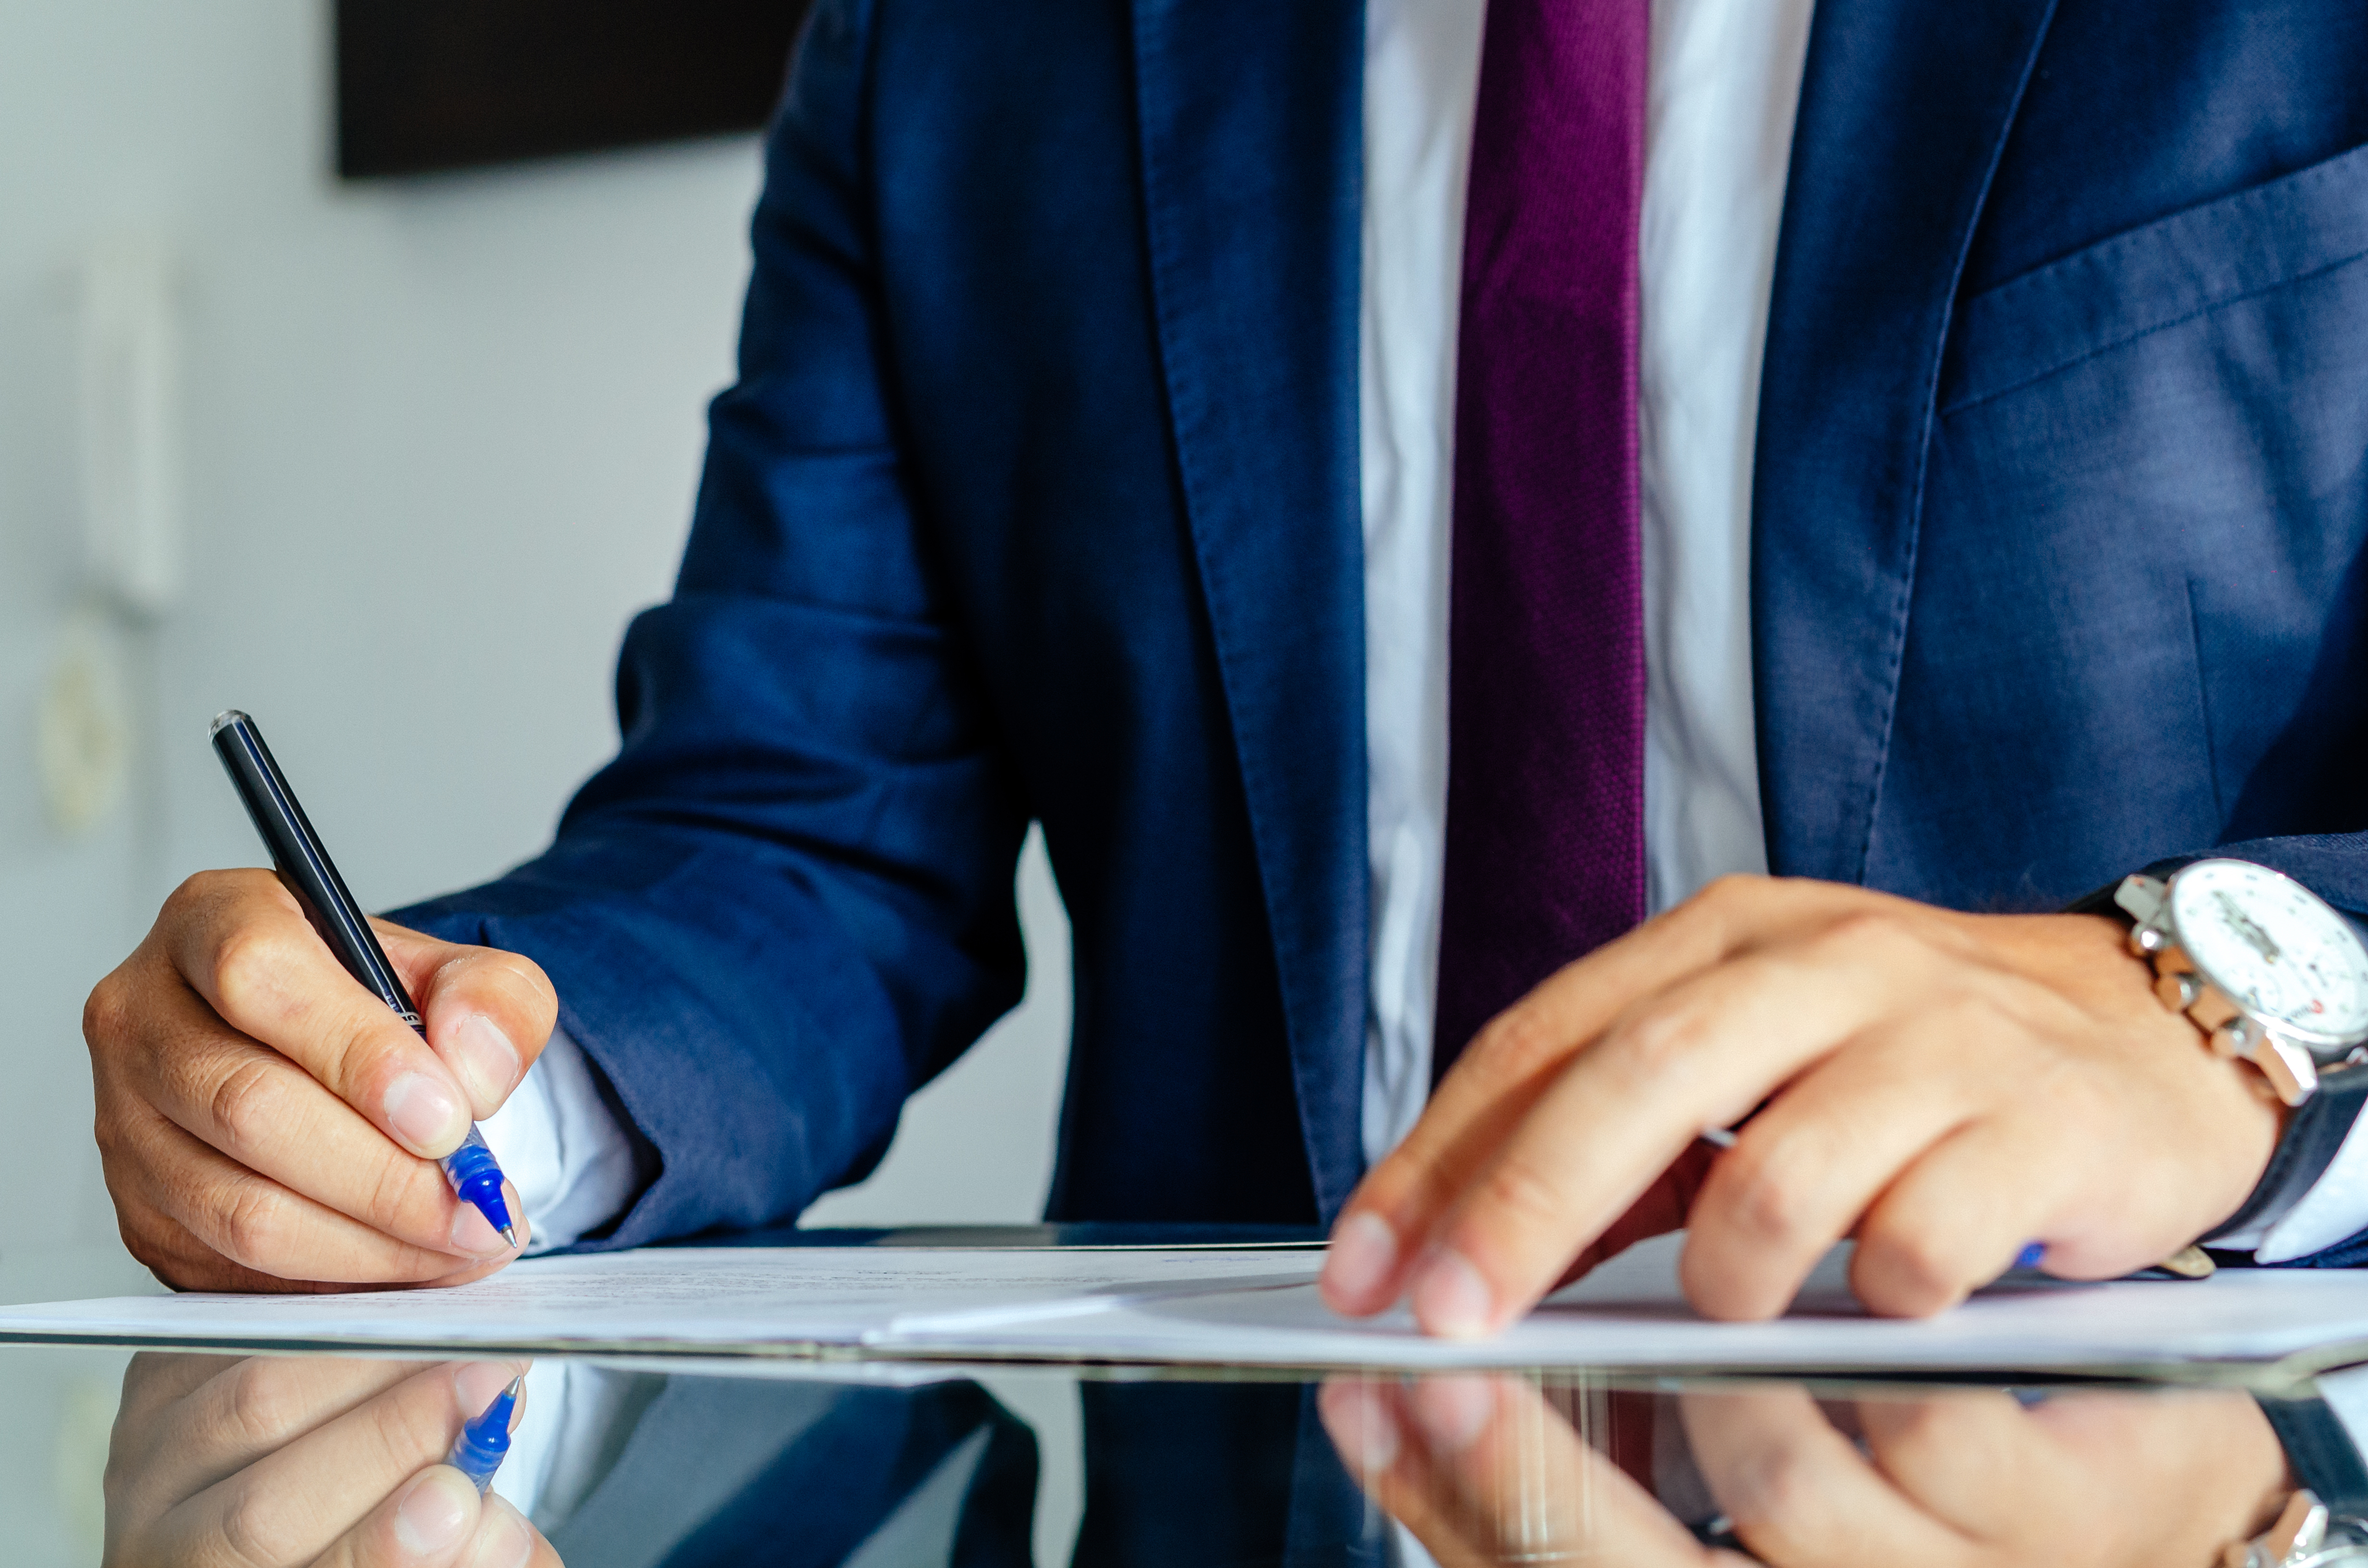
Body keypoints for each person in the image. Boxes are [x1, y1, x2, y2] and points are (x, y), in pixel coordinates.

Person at [82, 0, 2368, 1329]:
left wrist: (2234, 1006)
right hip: (1256, 1474)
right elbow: (798, 826)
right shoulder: (964, 51)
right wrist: (457, 1096)